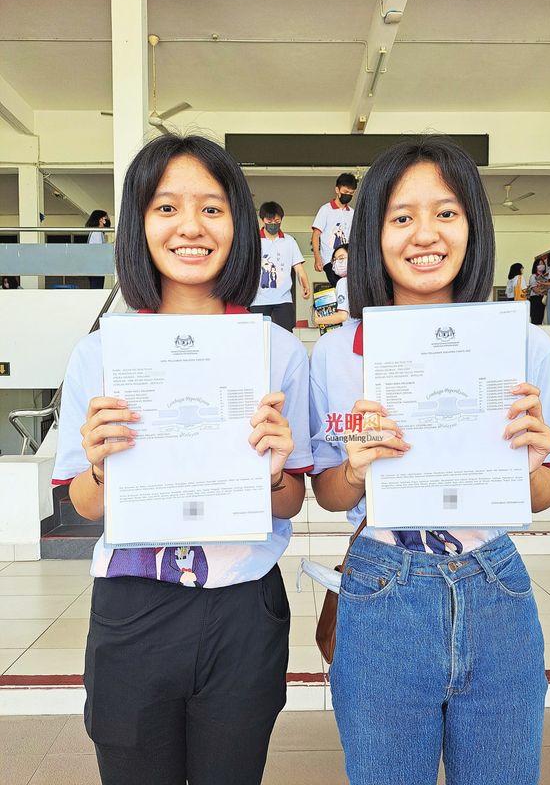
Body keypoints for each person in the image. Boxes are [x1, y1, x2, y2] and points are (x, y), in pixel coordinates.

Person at [51, 134, 313, 785]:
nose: (190, 227)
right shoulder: (99, 354)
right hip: (133, 604)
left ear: (239, 226)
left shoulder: (278, 351)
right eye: (167, 208)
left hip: (244, 606)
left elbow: (292, 500)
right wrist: (104, 468)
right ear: (138, 224)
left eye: (213, 208)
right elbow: (81, 503)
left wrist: (277, 472)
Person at [309, 135, 550, 785]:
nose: (426, 234)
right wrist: (357, 469)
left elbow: (541, 494)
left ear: (473, 225)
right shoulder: (338, 355)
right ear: (374, 233)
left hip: (496, 587)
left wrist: (532, 452)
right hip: (383, 583)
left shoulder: (524, 345)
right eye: (402, 217)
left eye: (446, 213)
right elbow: (332, 496)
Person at [248, 201, 310, 332]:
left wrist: (305, 285)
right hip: (258, 299)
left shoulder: (289, 241)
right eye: (269, 221)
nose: (273, 224)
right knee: (258, 335)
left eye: (277, 221)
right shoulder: (253, 241)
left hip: (283, 299)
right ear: (262, 221)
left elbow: (298, 268)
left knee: (286, 334)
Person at [312, 173, 357, 286]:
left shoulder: (352, 213)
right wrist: (317, 258)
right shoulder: (325, 210)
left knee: (350, 288)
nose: (348, 195)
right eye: (345, 192)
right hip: (330, 259)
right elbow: (316, 234)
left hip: (348, 260)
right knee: (337, 285)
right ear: (337, 190)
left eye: (351, 193)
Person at [312, 243, 357, 329]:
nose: (337, 263)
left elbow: (342, 316)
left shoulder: (343, 282)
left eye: (341, 258)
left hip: (348, 332)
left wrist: (318, 320)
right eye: (334, 260)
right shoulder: (364, 282)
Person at [86, 210, 111, 290]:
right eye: (105, 218)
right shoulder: (97, 232)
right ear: (101, 220)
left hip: (93, 267)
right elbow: (99, 250)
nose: (107, 220)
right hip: (96, 267)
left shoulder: (94, 232)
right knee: (97, 289)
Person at [528, 258, 548, 325]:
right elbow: (536, 290)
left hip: (542, 299)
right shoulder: (533, 277)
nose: (541, 265)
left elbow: (547, 290)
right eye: (539, 264)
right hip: (535, 299)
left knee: (540, 318)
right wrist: (543, 289)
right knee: (535, 318)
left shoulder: (546, 277)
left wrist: (542, 289)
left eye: (542, 264)